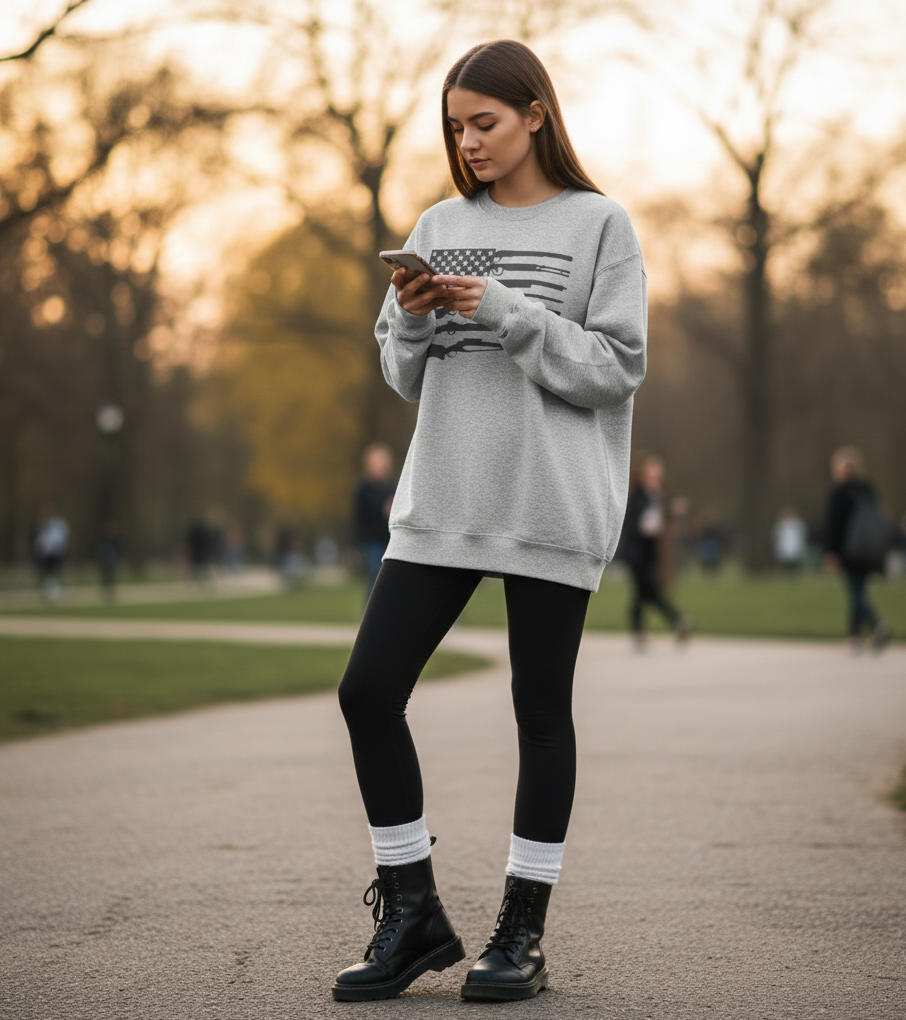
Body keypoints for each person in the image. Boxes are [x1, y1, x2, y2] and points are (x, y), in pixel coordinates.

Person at [333, 40, 647, 1003]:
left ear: (535, 116)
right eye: (457, 126)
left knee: (540, 715)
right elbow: (403, 374)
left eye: (486, 123)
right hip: (444, 501)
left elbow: (615, 368)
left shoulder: (598, 225)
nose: (468, 142)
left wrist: (507, 310)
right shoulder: (436, 221)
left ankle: (522, 932)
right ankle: (414, 910)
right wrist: (417, 313)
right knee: (366, 691)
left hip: (547, 502)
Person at [617, 454, 690, 649]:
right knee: (649, 590)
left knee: (642, 591)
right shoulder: (637, 494)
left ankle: (637, 630)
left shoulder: (658, 494)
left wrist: (672, 512)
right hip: (635, 552)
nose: (655, 473)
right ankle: (678, 620)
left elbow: (660, 522)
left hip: (649, 552)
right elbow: (637, 523)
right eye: (651, 469)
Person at [823, 445, 890, 651]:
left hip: (849, 550)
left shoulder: (840, 493)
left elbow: (834, 526)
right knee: (858, 590)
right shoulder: (867, 489)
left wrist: (832, 552)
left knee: (855, 592)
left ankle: (875, 623)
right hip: (869, 549)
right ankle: (854, 636)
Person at [351, 443, 396, 601]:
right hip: (371, 540)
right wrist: (354, 545)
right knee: (377, 572)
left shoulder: (391, 487)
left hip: (388, 539)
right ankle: (370, 609)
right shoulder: (363, 489)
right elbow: (358, 518)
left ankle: (382, 608)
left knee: (387, 577)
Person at [32, 504, 69, 601]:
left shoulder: (58, 523)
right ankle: (47, 591)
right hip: (44, 553)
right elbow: (39, 539)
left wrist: (58, 547)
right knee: (45, 572)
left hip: (55, 552)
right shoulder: (41, 524)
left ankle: (53, 591)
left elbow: (61, 537)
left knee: (54, 571)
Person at [772, 506, 807, 573]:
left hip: (795, 547)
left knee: (794, 563)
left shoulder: (798, 525)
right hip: (784, 547)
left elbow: (801, 536)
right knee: (785, 563)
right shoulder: (780, 526)